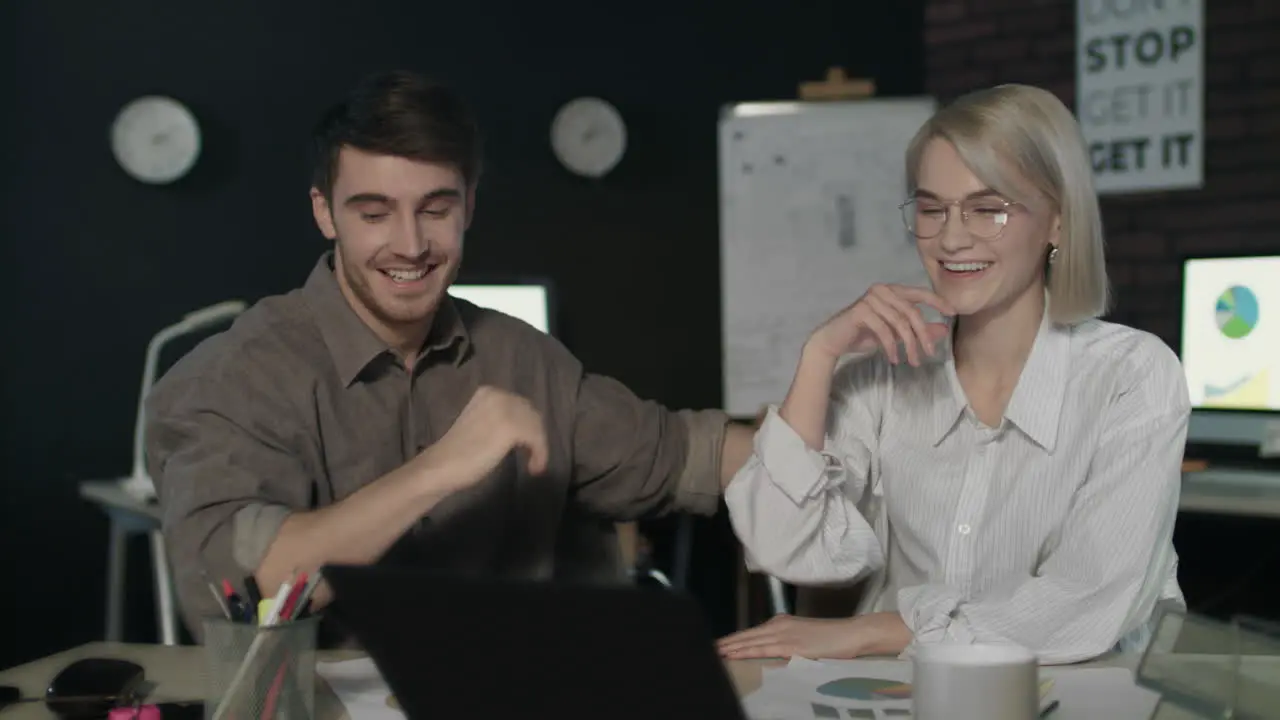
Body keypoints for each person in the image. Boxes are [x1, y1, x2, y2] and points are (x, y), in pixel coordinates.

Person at [146, 69, 754, 641]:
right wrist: (442, 468)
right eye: (375, 212)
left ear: (469, 206)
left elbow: (682, 454)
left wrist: (835, 417)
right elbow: (228, 590)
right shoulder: (233, 375)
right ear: (324, 212)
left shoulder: (523, 357)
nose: (411, 245)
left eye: (435, 209)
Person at [717, 84, 1188, 665]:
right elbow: (788, 548)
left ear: (1058, 223)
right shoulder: (878, 381)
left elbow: (1085, 605)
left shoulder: (1133, 376)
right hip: (910, 697)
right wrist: (819, 354)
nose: (952, 237)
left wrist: (875, 630)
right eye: (932, 208)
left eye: (988, 209)